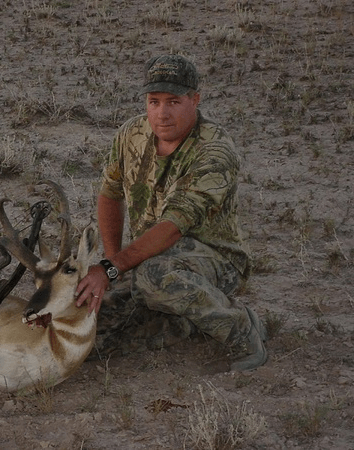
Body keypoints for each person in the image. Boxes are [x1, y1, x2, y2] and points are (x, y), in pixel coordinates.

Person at [75, 54, 267, 371]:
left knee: (153, 277)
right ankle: (188, 320)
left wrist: (111, 268)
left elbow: (173, 228)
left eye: (173, 102)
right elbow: (110, 194)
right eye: (154, 102)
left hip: (216, 259)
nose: (162, 113)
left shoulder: (214, 150)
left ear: (195, 100)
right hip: (149, 255)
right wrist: (114, 267)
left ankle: (242, 330)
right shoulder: (131, 134)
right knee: (92, 327)